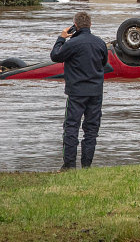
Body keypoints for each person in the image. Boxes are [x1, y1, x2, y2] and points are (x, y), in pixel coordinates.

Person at [50, 11, 109, 170]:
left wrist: (62, 37)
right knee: (91, 130)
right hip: (96, 92)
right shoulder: (100, 43)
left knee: (71, 128)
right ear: (90, 25)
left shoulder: (72, 44)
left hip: (76, 93)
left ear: (74, 26)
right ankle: (86, 165)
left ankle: (69, 165)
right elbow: (104, 63)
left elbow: (55, 56)